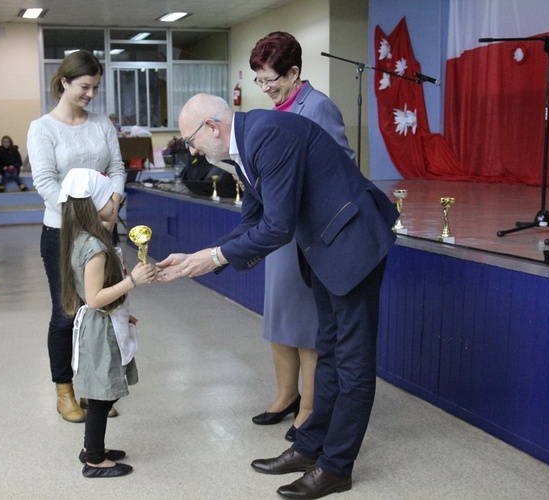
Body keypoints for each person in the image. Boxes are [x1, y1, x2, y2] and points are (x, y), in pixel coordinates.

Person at [156, 94, 398, 499]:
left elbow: (278, 226)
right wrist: (200, 257)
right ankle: (309, 448)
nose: (192, 150)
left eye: (191, 140)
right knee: (329, 353)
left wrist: (212, 258)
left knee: (353, 365)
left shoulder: (266, 136)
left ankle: (336, 467)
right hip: (325, 249)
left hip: (352, 245)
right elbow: (251, 221)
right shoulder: (247, 147)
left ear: (212, 127)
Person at [247, 31, 358, 442]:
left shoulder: (319, 107)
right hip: (279, 230)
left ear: (294, 72)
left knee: (307, 327)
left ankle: (309, 409)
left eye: (271, 79)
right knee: (278, 318)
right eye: (259, 80)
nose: (265, 88)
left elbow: (341, 166)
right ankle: (285, 395)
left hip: (310, 233)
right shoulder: (276, 112)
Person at [27, 49, 125, 423]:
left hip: (103, 229)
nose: (90, 94)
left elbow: (116, 166)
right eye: (84, 86)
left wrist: (113, 203)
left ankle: (93, 388)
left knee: (99, 310)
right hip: (62, 234)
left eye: (96, 87)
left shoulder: (101, 123)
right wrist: (89, 214)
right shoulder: (43, 128)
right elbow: (45, 183)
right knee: (67, 312)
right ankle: (64, 390)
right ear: (64, 82)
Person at [59, 168, 155, 478]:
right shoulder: (95, 249)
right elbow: (95, 297)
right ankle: (95, 460)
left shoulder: (83, 236)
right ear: (94, 204)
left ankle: (92, 447)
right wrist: (132, 280)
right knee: (101, 396)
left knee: (105, 390)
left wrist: (122, 311)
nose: (116, 203)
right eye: (110, 199)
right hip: (101, 329)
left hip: (105, 323)